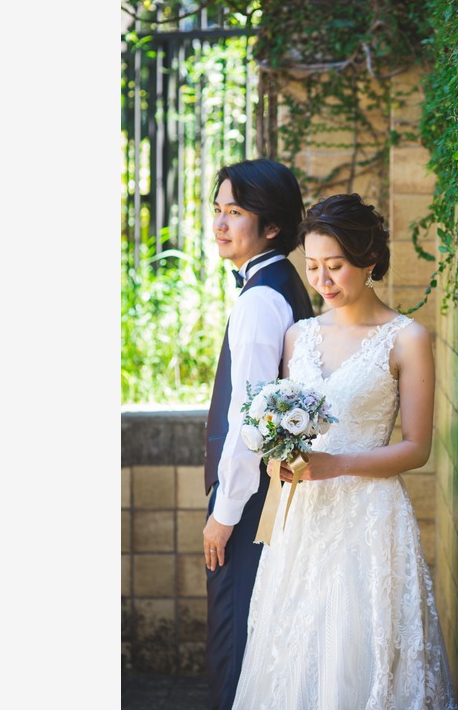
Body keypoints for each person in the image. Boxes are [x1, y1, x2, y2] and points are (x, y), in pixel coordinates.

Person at [232, 193, 457, 709]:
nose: (322, 281)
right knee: (294, 650)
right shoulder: (298, 336)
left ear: (369, 261)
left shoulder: (407, 339)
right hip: (302, 521)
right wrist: (275, 452)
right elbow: (288, 427)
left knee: (360, 647)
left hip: (370, 521)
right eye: (312, 267)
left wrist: (336, 466)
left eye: (335, 266)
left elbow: (416, 448)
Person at [202, 158, 315, 710]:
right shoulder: (282, 282)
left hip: (250, 504)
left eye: (236, 212)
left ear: (271, 226)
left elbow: (249, 423)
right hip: (271, 495)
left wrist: (223, 516)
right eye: (218, 210)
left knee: (236, 638)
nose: (220, 224)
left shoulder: (259, 300)